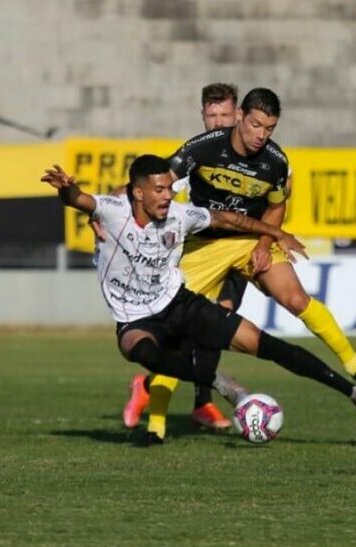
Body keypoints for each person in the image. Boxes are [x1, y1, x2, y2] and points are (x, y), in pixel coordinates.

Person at [42, 155, 356, 445]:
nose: (168, 195)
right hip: (135, 320)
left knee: (263, 343)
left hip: (178, 304)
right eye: (160, 189)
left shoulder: (180, 215)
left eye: (170, 188)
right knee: (146, 354)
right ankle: (222, 385)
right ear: (137, 193)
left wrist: (275, 232)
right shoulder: (112, 212)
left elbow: (229, 219)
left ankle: (352, 392)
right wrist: (66, 188)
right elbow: (78, 199)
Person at [129, 88, 356, 441]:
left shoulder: (275, 161)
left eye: (269, 128)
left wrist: (266, 243)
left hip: (251, 240)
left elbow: (276, 206)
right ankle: (157, 426)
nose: (260, 135)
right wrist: (111, 210)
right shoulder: (203, 147)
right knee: (181, 333)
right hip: (204, 245)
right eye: (255, 125)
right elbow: (158, 184)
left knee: (296, 298)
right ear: (240, 117)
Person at [118, 82, 246, 430]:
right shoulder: (194, 156)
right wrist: (104, 210)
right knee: (197, 328)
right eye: (211, 115)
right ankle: (161, 391)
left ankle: (196, 401)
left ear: (239, 115)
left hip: (239, 250)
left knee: (220, 321)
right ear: (202, 116)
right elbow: (148, 191)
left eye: (225, 114)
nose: (218, 122)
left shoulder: (258, 154)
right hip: (199, 252)